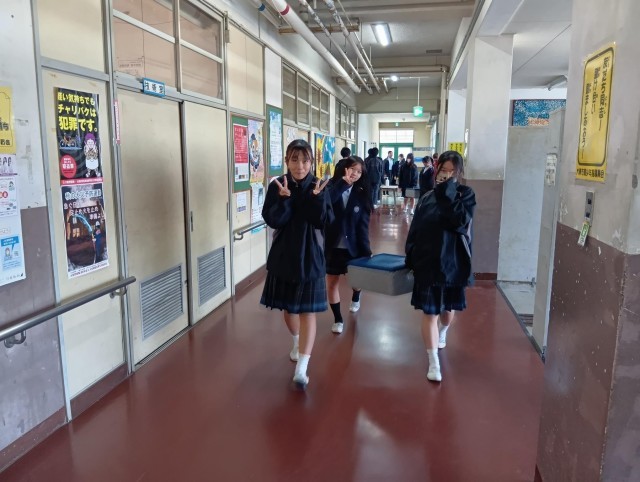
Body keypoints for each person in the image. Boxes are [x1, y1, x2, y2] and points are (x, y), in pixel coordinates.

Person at [261, 139, 333, 390]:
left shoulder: (319, 186)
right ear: (287, 161)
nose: (300, 166)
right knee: (289, 310)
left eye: (304, 160)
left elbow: (324, 220)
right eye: (294, 160)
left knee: (307, 312)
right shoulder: (278, 185)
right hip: (284, 255)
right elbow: (273, 220)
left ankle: (302, 366)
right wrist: (283, 199)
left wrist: (317, 199)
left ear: (312, 162)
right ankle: (296, 341)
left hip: (311, 255)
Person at [405, 151, 476, 382]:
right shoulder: (427, 197)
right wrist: (410, 255)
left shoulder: (465, 194)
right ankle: (433, 360)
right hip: (427, 262)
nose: (446, 175)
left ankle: (444, 331)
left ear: (459, 173)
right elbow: (415, 228)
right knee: (430, 313)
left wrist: (448, 191)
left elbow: (459, 221)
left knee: (447, 312)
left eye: (452, 171)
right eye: (443, 170)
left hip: (452, 263)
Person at [325, 156, 372, 334]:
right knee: (332, 283)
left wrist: (366, 251)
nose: (355, 174)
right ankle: (337, 318)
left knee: (355, 281)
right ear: (344, 168)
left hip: (353, 246)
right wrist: (342, 184)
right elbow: (325, 202)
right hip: (332, 246)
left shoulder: (361, 193)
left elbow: (363, 226)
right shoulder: (331, 186)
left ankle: (356, 296)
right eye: (352, 169)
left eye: (359, 171)